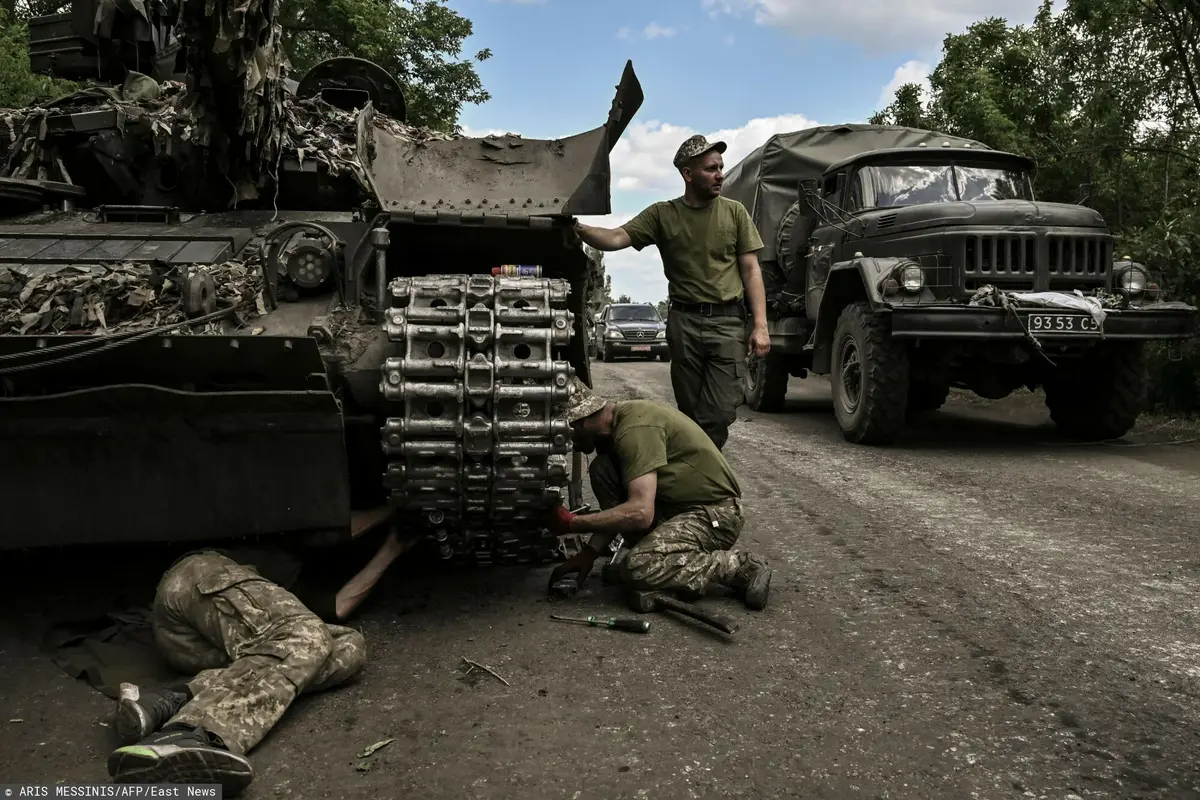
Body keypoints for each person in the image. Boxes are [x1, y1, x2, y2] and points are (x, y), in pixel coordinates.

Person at [105, 524, 417, 795]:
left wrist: (392, 549)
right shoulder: (295, 534)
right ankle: (187, 733)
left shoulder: (284, 600)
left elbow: (338, 608)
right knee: (306, 637)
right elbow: (339, 525)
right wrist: (394, 511)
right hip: (199, 578)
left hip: (201, 642)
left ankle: (171, 699)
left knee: (348, 646)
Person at [574, 134, 771, 450]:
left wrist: (760, 325)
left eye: (721, 167)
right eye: (711, 168)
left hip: (727, 323)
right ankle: (695, 475)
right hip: (684, 324)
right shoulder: (662, 215)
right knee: (690, 413)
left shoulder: (735, 213)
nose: (720, 174)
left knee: (719, 411)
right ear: (688, 174)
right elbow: (616, 237)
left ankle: (701, 467)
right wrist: (579, 229)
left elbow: (751, 270)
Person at [545, 377, 772, 608]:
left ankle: (740, 567)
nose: (567, 444)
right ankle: (657, 560)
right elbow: (621, 513)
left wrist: (574, 523)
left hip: (714, 514)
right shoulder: (614, 431)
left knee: (638, 567)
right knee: (602, 470)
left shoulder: (635, 429)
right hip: (677, 509)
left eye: (565, 435)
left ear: (579, 423)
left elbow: (640, 512)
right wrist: (590, 553)